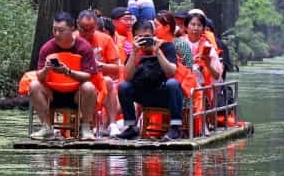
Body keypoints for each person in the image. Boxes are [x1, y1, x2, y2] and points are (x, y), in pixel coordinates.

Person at [29, 12, 99, 141]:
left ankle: (85, 128)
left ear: (72, 29)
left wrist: (67, 71)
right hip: (53, 93)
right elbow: (39, 77)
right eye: (54, 30)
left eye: (61, 30)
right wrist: (46, 69)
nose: (56, 34)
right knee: (34, 85)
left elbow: (88, 76)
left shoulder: (83, 47)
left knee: (89, 87)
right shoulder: (47, 48)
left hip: (76, 94)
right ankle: (46, 127)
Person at [116, 20, 185, 140]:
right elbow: (127, 77)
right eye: (140, 37)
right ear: (134, 38)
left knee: (173, 84)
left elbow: (171, 72)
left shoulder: (166, 47)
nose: (144, 41)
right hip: (143, 94)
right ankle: (131, 128)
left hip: (163, 93)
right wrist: (134, 53)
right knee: (123, 86)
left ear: (153, 35)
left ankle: (175, 128)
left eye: (147, 37)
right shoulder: (134, 52)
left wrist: (157, 51)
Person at [76, 9, 122, 133]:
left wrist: (99, 66)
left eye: (90, 29)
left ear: (96, 26)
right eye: (83, 28)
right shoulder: (71, 39)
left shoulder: (105, 39)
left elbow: (116, 69)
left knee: (107, 81)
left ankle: (112, 124)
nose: (86, 33)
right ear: (77, 24)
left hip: (99, 81)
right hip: (76, 81)